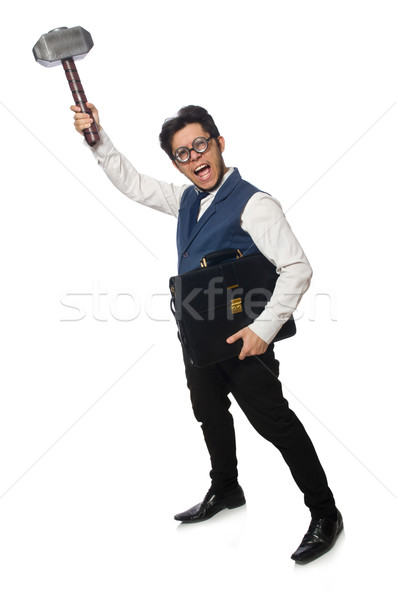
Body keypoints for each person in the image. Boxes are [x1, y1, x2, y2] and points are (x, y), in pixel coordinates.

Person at [71, 102, 343, 564]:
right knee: (209, 414)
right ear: (176, 161)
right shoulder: (187, 200)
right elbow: (133, 185)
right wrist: (97, 139)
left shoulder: (255, 204)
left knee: (275, 423)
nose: (194, 157)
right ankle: (226, 489)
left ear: (219, 143)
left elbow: (297, 268)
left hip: (245, 341)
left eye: (200, 145)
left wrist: (262, 331)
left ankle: (325, 513)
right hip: (198, 335)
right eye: (182, 153)